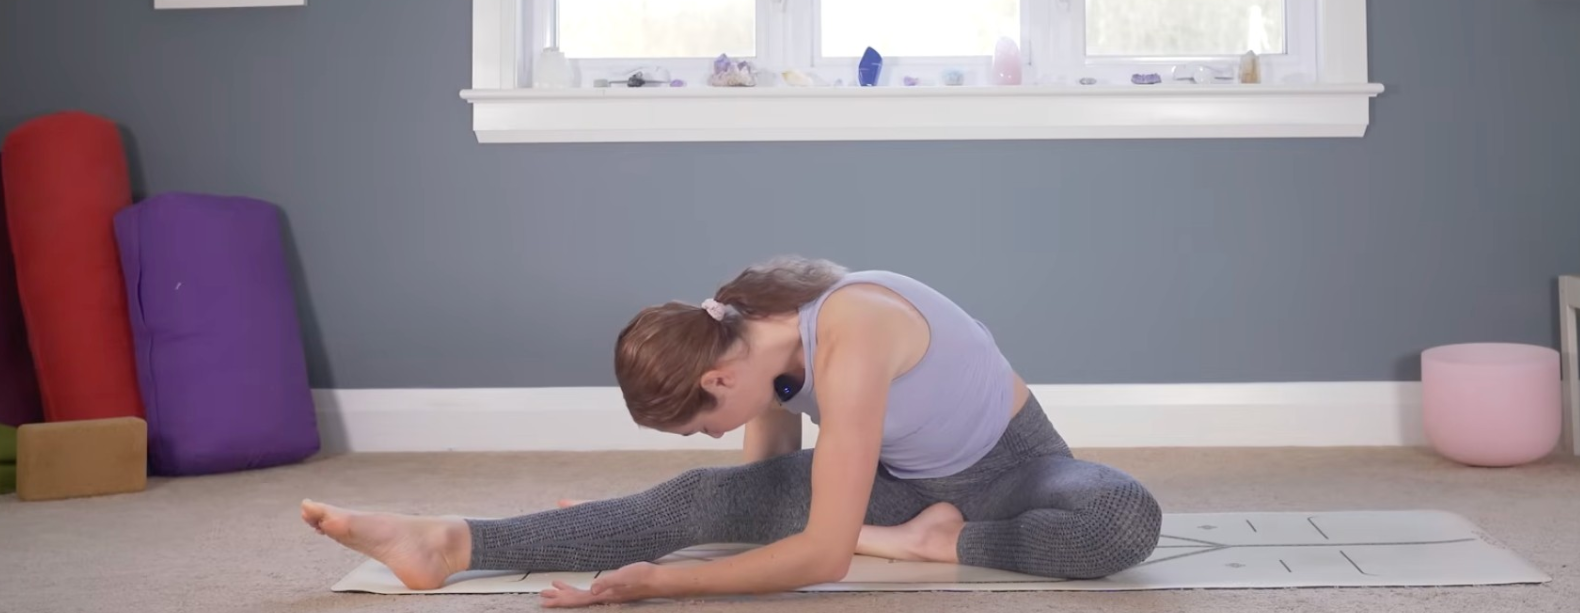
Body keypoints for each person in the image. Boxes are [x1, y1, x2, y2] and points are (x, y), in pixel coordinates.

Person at [301, 258, 1162, 607]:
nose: (714, 434)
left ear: (720, 378)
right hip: (899, 478)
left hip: (1012, 470)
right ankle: (447, 541)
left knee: (1123, 521)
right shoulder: (752, 332)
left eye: (702, 422)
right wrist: (716, 513)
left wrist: (661, 587)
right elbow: (760, 486)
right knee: (703, 502)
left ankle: (923, 547)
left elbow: (823, 560)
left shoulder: (851, 333)